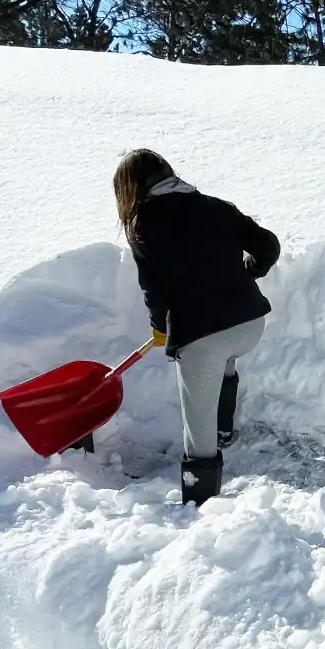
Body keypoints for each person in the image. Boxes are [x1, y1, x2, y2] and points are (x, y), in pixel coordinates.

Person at [113, 148, 279, 505]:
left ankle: (200, 506)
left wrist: (160, 327)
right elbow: (268, 245)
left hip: (205, 337)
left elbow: (153, 289)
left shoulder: (143, 224)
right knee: (223, 359)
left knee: (196, 429)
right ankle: (224, 429)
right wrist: (248, 273)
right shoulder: (215, 206)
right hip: (250, 323)